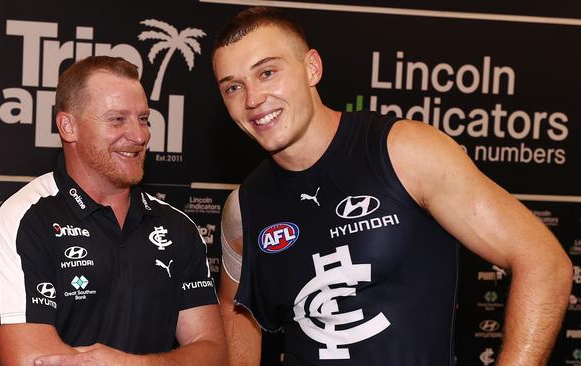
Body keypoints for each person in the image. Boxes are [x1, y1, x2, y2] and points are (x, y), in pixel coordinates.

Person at [212, 6, 572, 366]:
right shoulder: (244, 207)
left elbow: (542, 260)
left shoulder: (404, 151)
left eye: (267, 73)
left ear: (312, 68)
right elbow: (236, 310)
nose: (253, 99)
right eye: (233, 87)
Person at [0, 56, 227, 366]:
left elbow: (212, 352)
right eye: (117, 119)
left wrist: (137, 365)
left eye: (143, 118)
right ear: (68, 127)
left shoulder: (178, 227)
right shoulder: (24, 219)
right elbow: (31, 359)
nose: (140, 136)